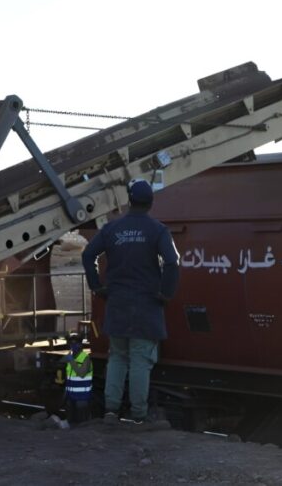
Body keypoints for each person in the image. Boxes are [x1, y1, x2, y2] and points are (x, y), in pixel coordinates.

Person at [82, 179, 179, 426]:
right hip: (146, 304)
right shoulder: (157, 230)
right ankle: (139, 415)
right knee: (140, 359)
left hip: (117, 303)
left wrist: (96, 287)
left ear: (129, 200)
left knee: (118, 357)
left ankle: (111, 411)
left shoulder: (112, 229)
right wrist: (166, 293)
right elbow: (171, 262)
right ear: (150, 202)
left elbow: (87, 254)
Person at [56, 334, 93, 423]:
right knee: (71, 423)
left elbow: (81, 374)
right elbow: (59, 363)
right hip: (71, 397)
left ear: (80, 345)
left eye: (75, 343)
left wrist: (71, 360)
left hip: (82, 399)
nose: (73, 346)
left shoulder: (85, 358)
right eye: (71, 344)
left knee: (82, 424)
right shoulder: (70, 357)